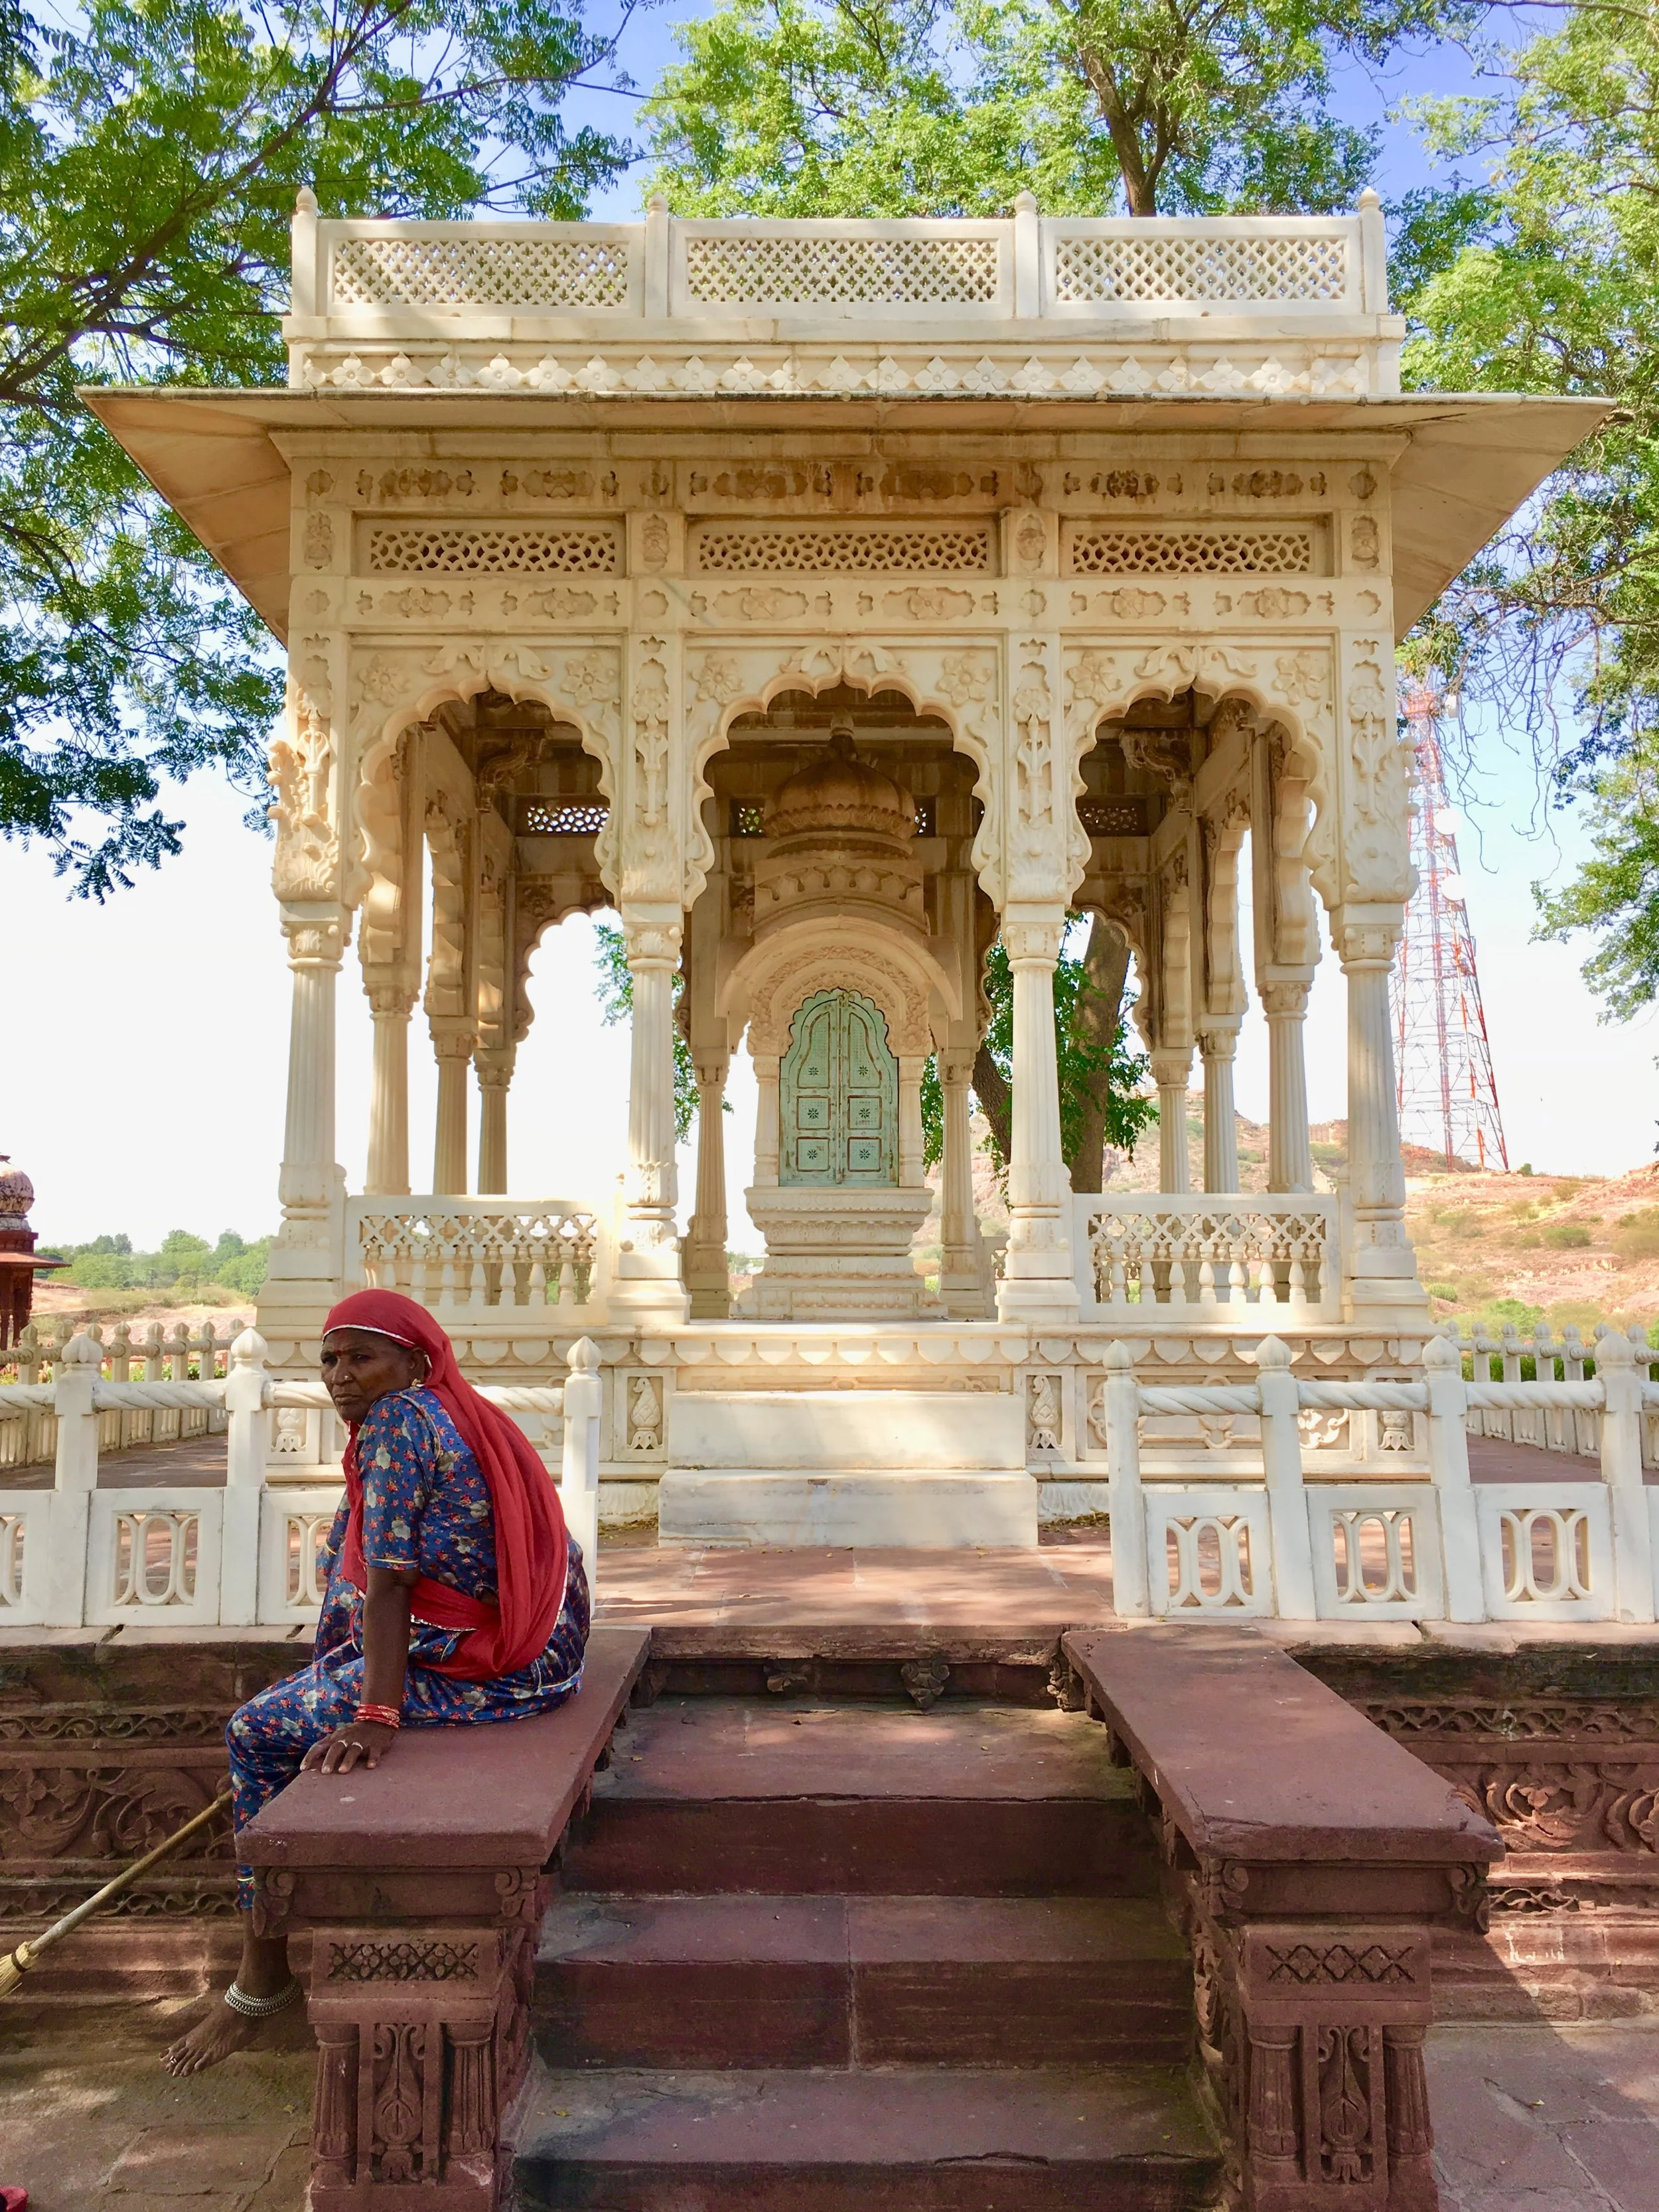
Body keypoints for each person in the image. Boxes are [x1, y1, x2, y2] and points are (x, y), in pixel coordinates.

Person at [163, 1290, 589, 2075]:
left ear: (414, 1362)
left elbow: (390, 1581)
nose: (340, 1376)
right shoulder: (455, 1410)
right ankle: (337, 1688)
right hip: (549, 1645)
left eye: (362, 1358)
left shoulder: (397, 1422)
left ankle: (261, 1977)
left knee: (254, 1731)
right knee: (343, 1548)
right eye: (329, 1359)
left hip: (496, 1669)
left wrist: (375, 1713)